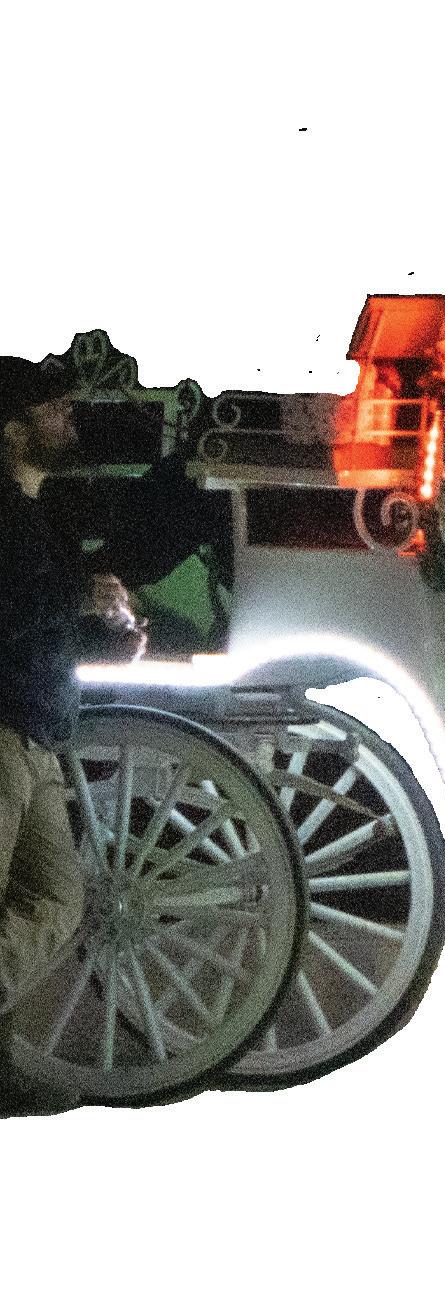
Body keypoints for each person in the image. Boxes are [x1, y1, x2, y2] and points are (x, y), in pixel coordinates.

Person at [0, 355, 146, 1116]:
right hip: (6, 729)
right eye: (53, 411)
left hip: (34, 729)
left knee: (55, 900)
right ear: (11, 429)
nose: (68, 422)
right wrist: (76, 596)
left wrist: (98, 630)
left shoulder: (32, 515)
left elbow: (37, 618)